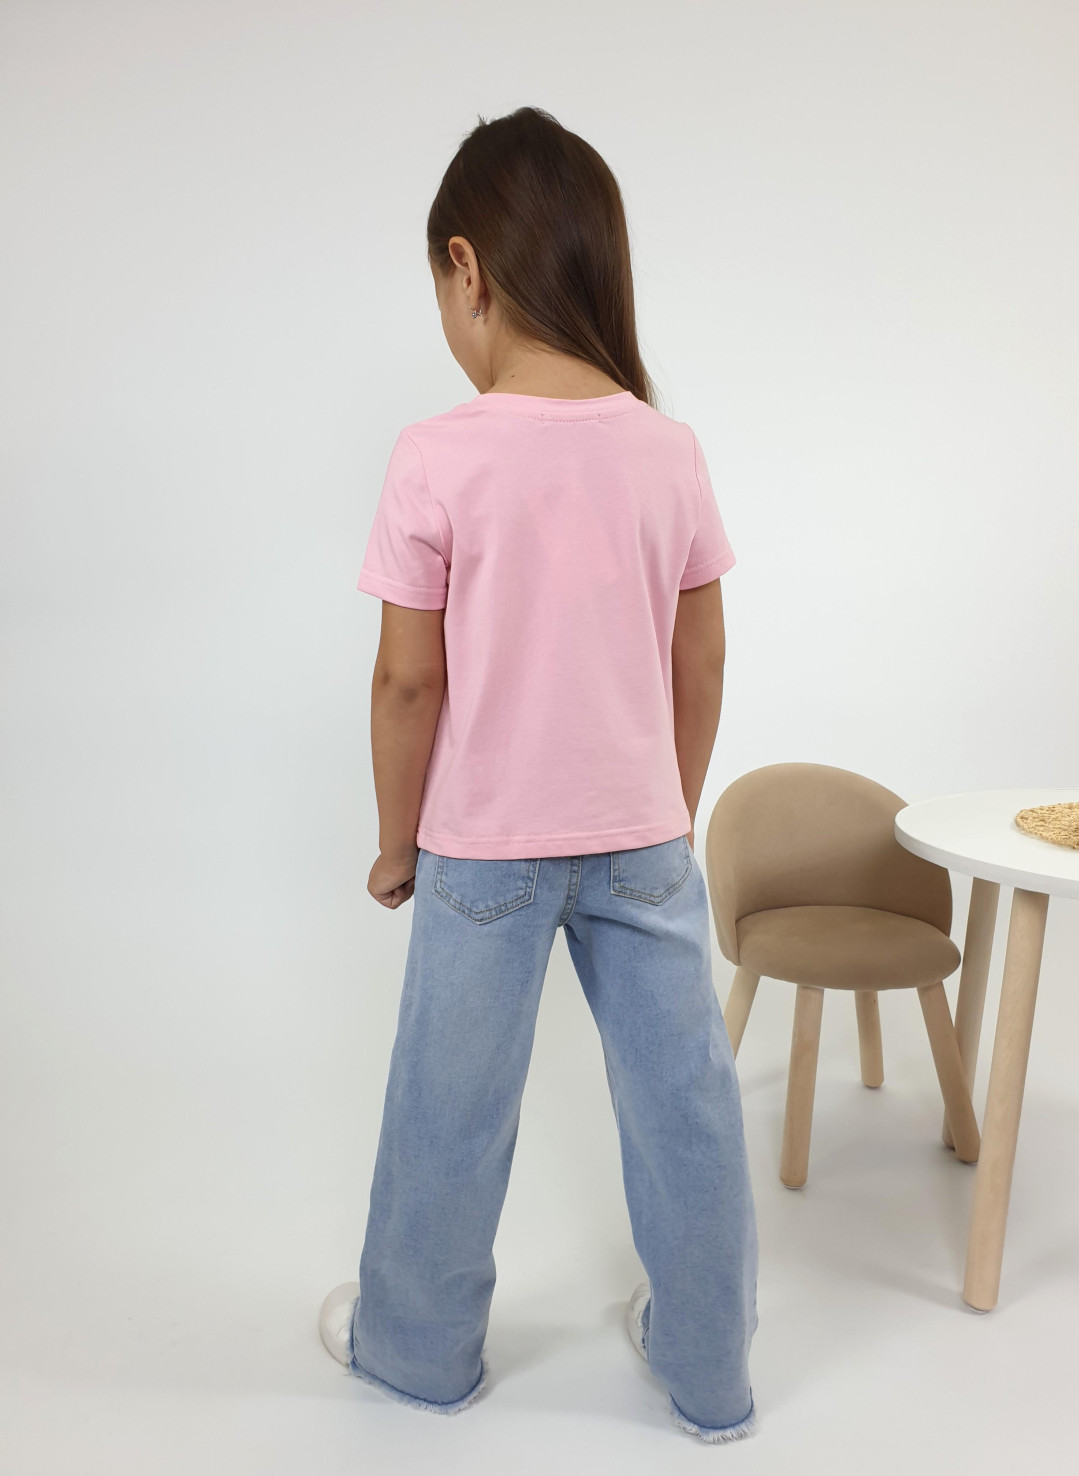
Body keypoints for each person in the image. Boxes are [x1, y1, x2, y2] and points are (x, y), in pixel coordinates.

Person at [319, 105, 759, 1444]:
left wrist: (395, 841)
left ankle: (416, 1357)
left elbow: (408, 683)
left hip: (482, 854)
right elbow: (700, 657)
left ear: (469, 267)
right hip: (643, 842)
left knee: (448, 1114)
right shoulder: (668, 450)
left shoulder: (439, 454)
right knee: (686, 1112)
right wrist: (671, 804)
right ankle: (711, 1375)